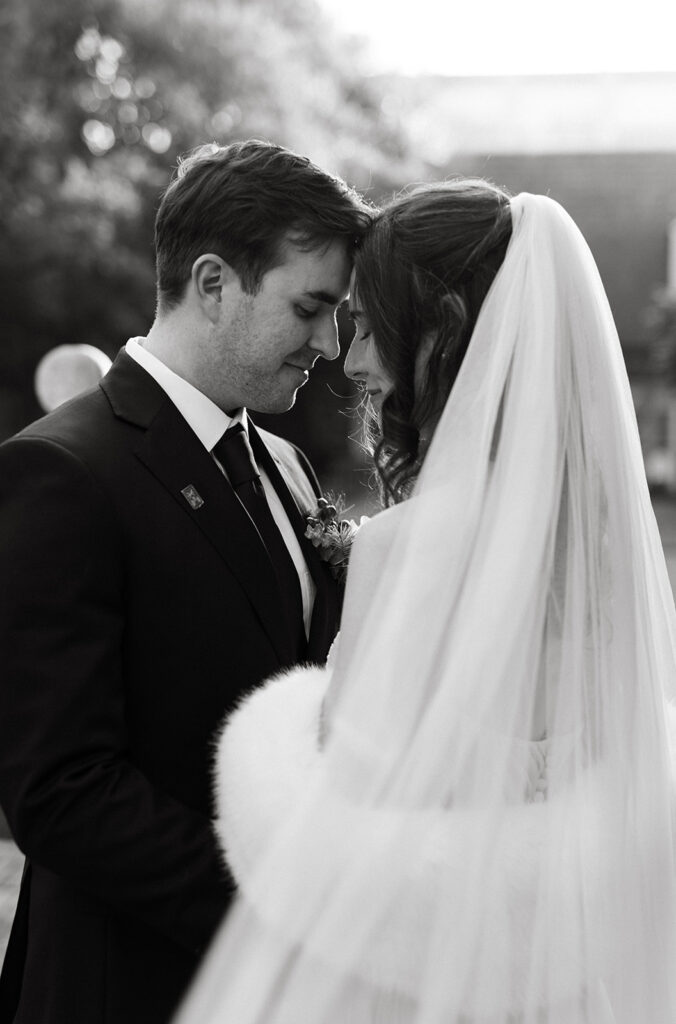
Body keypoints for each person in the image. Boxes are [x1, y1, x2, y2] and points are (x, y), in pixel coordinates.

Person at [175, 181, 676, 1024]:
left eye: (369, 327)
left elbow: (344, 823)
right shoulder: (606, 550)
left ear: (441, 328)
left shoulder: (403, 547)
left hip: (411, 988)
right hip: (567, 982)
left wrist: (266, 746)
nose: (351, 359)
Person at [0, 139, 371, 1024]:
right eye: (310, 308)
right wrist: (282, 910)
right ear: (212, 284)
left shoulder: (286, 463)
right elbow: (60, 789)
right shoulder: (62, 471)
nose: (329, 345)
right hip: (129, 987)